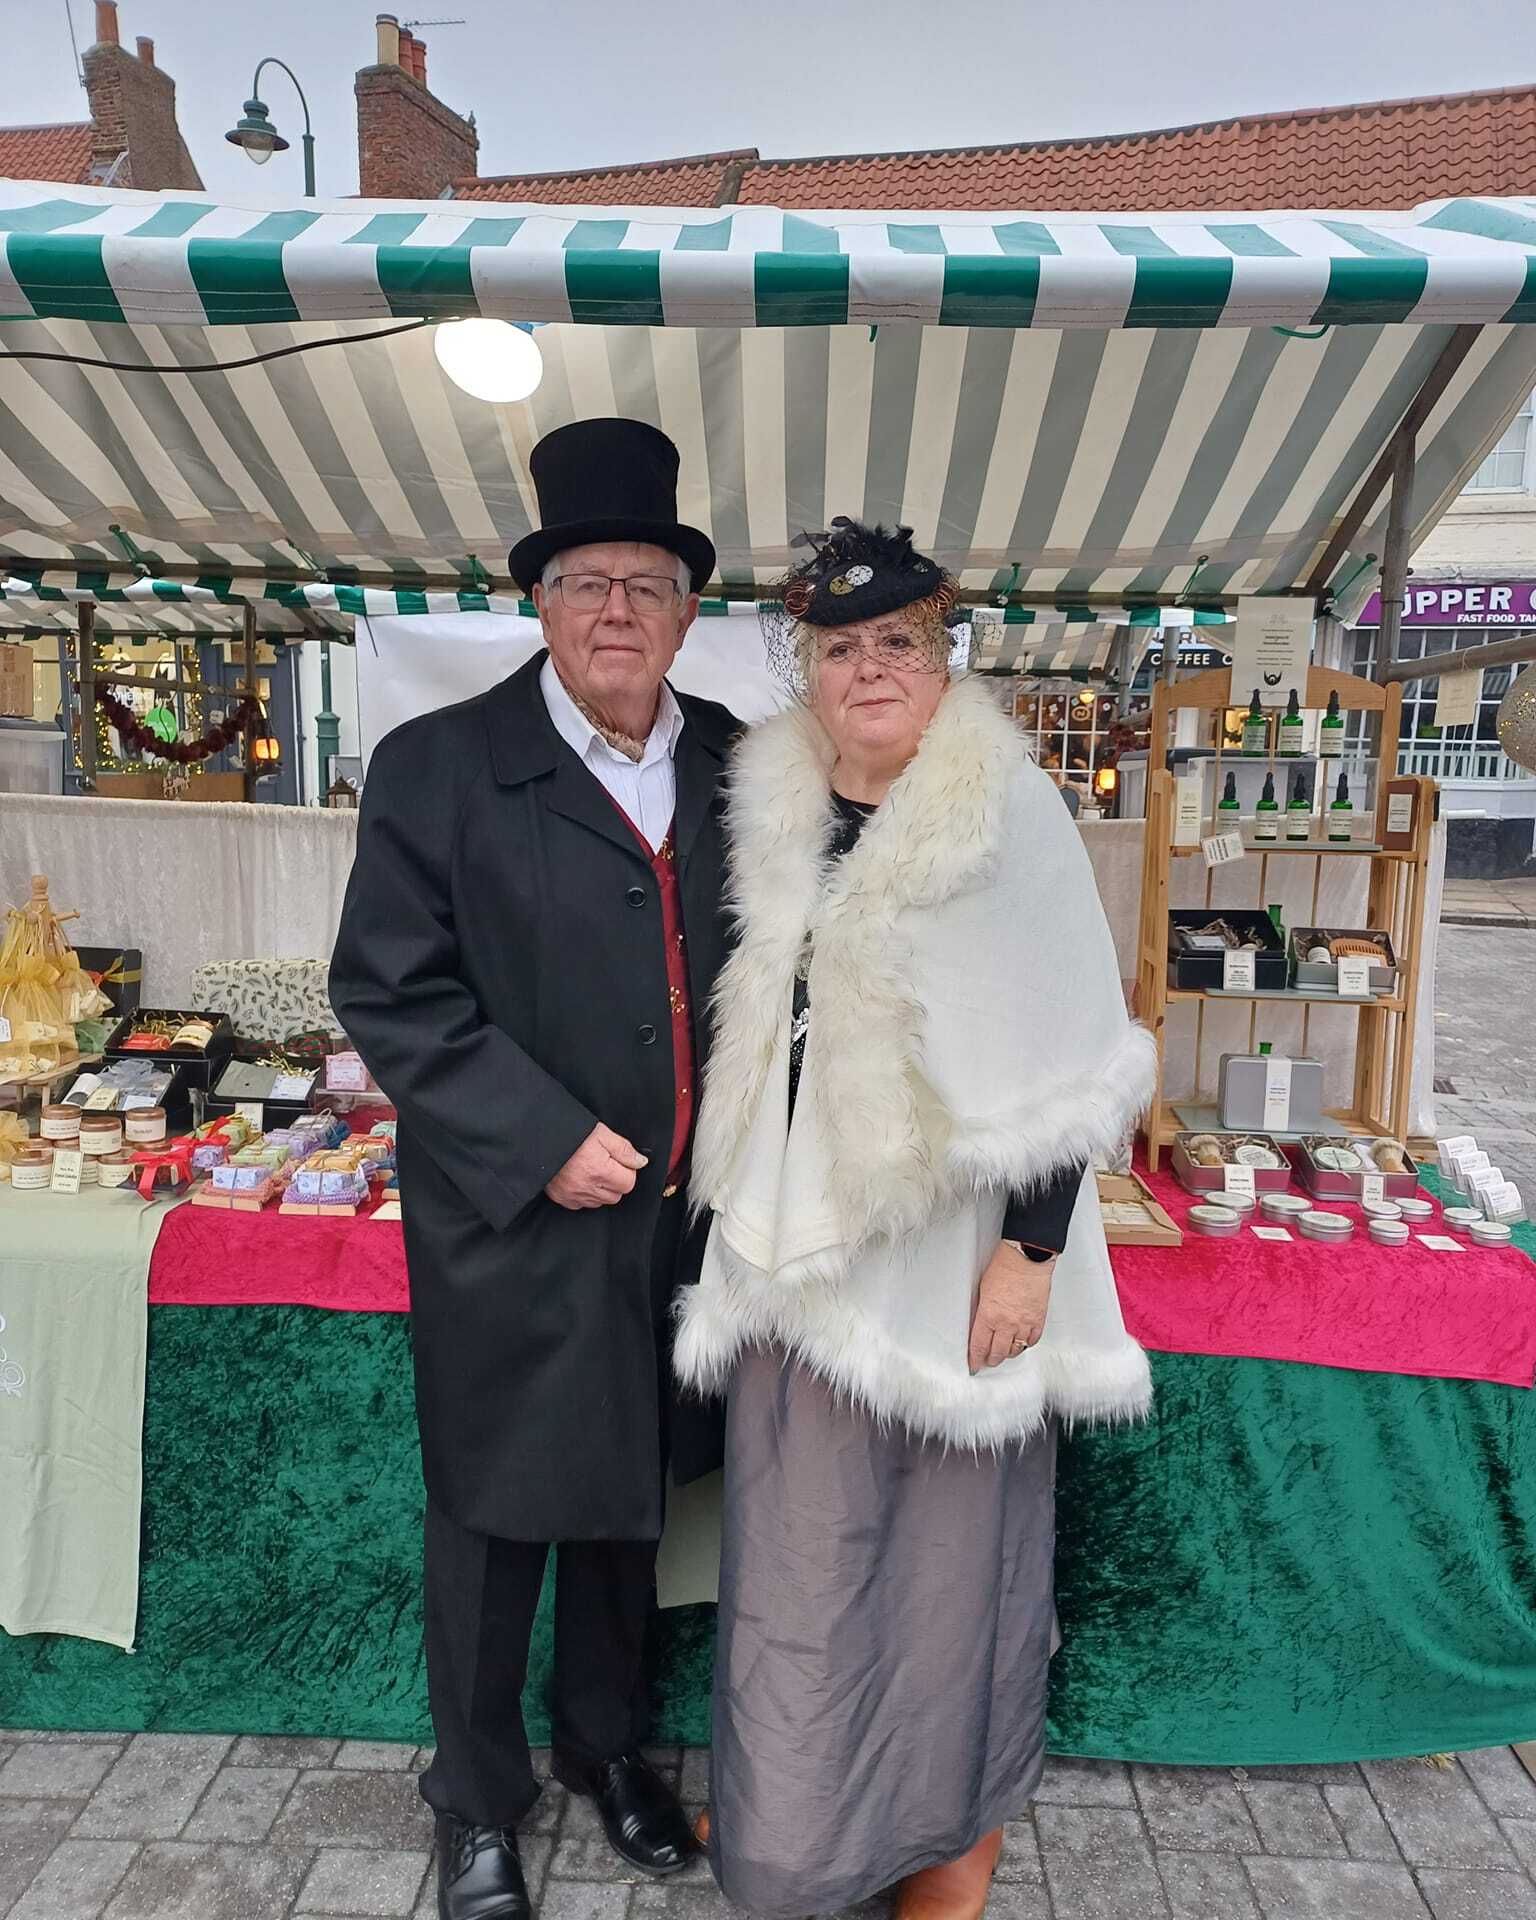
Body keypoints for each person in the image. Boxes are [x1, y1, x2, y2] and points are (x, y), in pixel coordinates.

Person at [674, 519, 1156, 1920]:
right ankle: (803, 1823)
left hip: (956, 1265)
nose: (870, 667)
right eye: (842, 647)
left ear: (941, 658)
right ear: (808, 667)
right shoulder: (774, 804)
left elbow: (1074, 1054)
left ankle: (941, 1843)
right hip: (796, 1255)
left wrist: (1034, 1249)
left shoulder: (1007, 809)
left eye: (899, 642)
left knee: (952, 1579)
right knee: (801, 1571)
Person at [329, 418, 738, 1920]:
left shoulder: (742, 769)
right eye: (584, 581)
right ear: (540, 606)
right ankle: (478, 1802)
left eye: (644, 580)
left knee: (630, 1506)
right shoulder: (441, 766)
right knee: (497, 1522)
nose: (615, 608)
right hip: (510, 1221)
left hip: (683, 1223)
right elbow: (390, 991)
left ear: (690, 612)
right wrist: (542, 1135)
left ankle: (608, 1753)